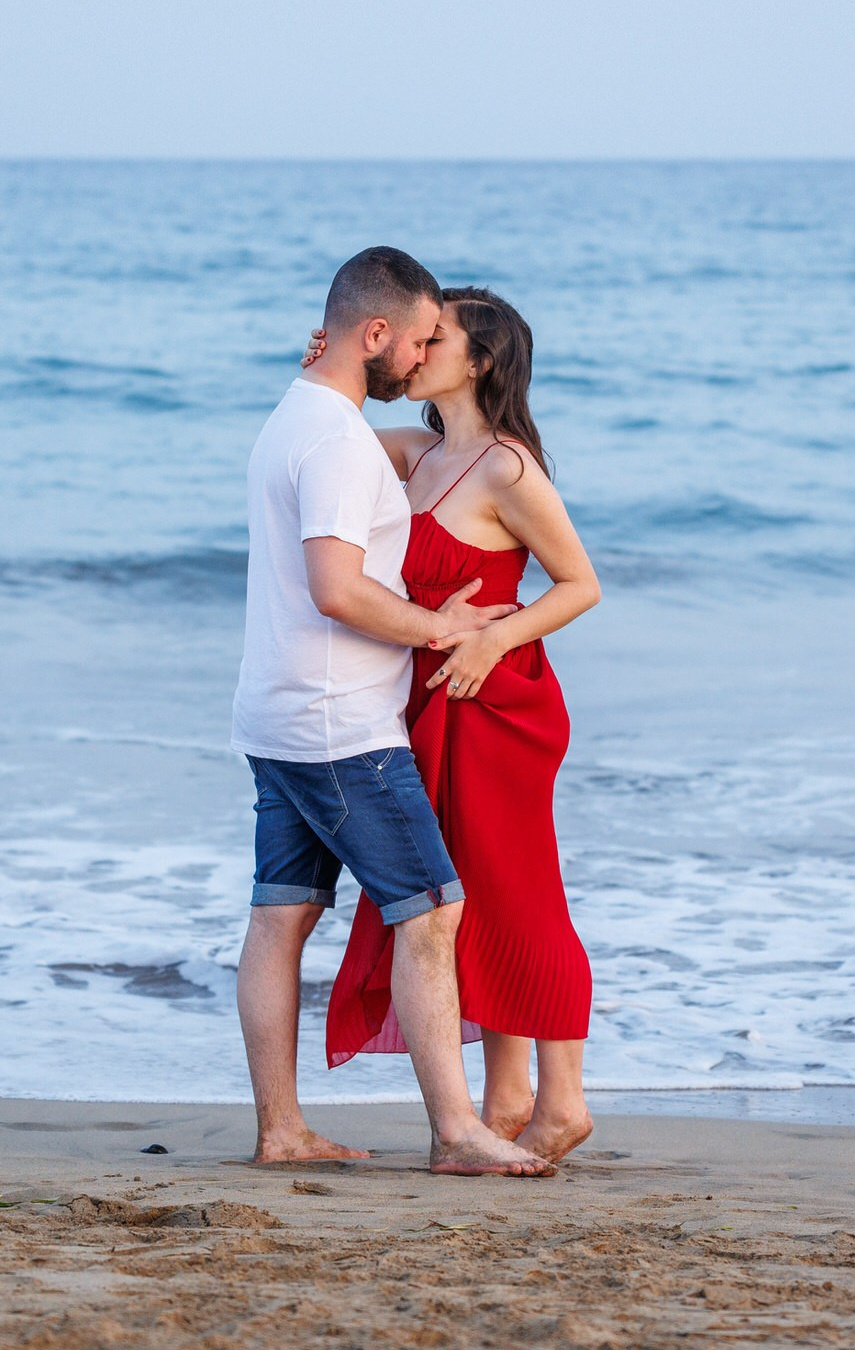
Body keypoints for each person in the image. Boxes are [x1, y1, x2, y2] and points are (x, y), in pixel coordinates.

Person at [231, 247, 552, 1177]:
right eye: (413, 342)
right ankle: (457, 1131)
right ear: (373, 336)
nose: (418, 362)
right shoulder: (335, 443)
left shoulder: (299, 414)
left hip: (276, 715)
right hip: (340, 726)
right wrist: (438, 628)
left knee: (280, 916)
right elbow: (338, 588)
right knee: (434, 910)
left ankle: (282, 1131)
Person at [305, 287, 602, 1163]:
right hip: (435, 702)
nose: (421, 347)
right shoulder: (418, 453)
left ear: (477, 363)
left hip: (499, 702)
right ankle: (509, 1095)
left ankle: (565, 1102)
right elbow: (331, 436)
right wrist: (329, 360)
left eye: (438, 338)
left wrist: (495, 639)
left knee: (524, 894)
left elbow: (580, 583)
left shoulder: (510, 469)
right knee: (469, 901)